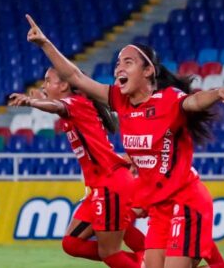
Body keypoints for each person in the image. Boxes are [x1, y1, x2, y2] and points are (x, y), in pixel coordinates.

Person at [24, 14, 224, 268]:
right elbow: (76, 77)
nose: (119, 68)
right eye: (117, 63)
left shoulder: (169, 100)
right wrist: (45, 44)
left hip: (186, 201)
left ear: (148, 71)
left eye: (128, 62)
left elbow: (193, 101)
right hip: (160, 209)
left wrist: (216, 93)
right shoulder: (120, 100)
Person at [9, 67, 145, 268]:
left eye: (48, 81)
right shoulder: (76, 109)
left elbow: (57, 106)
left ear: (64, 85)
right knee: (72, 244)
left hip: (110, 185)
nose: (44, 85)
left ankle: (152, 262)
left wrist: (32, 102)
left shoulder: (75, 104)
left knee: (110, 254)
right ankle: (151, 259)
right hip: (103, 185)